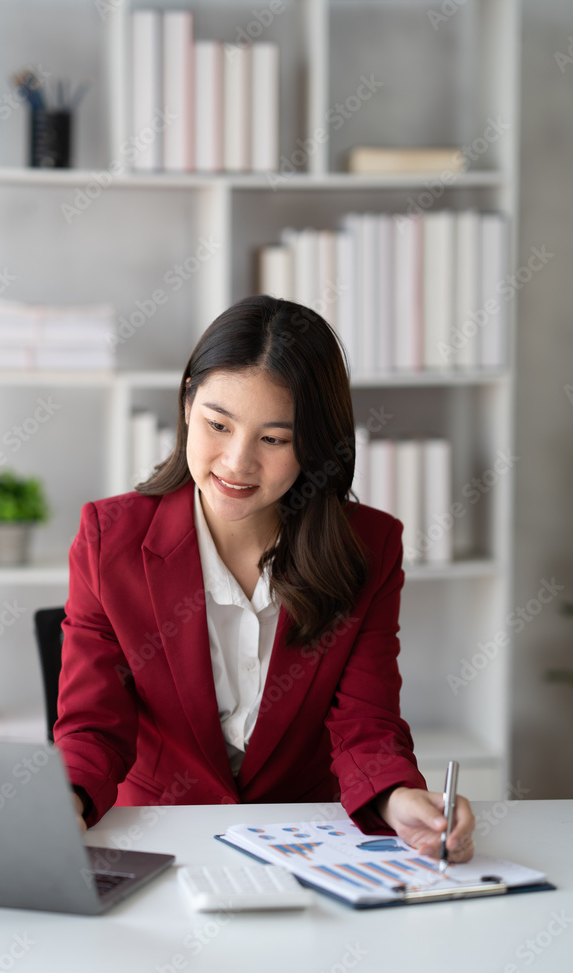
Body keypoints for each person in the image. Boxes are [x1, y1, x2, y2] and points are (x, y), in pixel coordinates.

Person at [54, 294, 475, 861]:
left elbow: (366, 725)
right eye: (218, 424)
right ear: (186, 405)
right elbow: (93, 728)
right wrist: (65, 804)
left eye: (273, 439)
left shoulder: (368, 548)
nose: (235, 462)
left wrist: (400, 798)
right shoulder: (110, 539)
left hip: (307, 845)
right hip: (158, 840)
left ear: (314, 444)